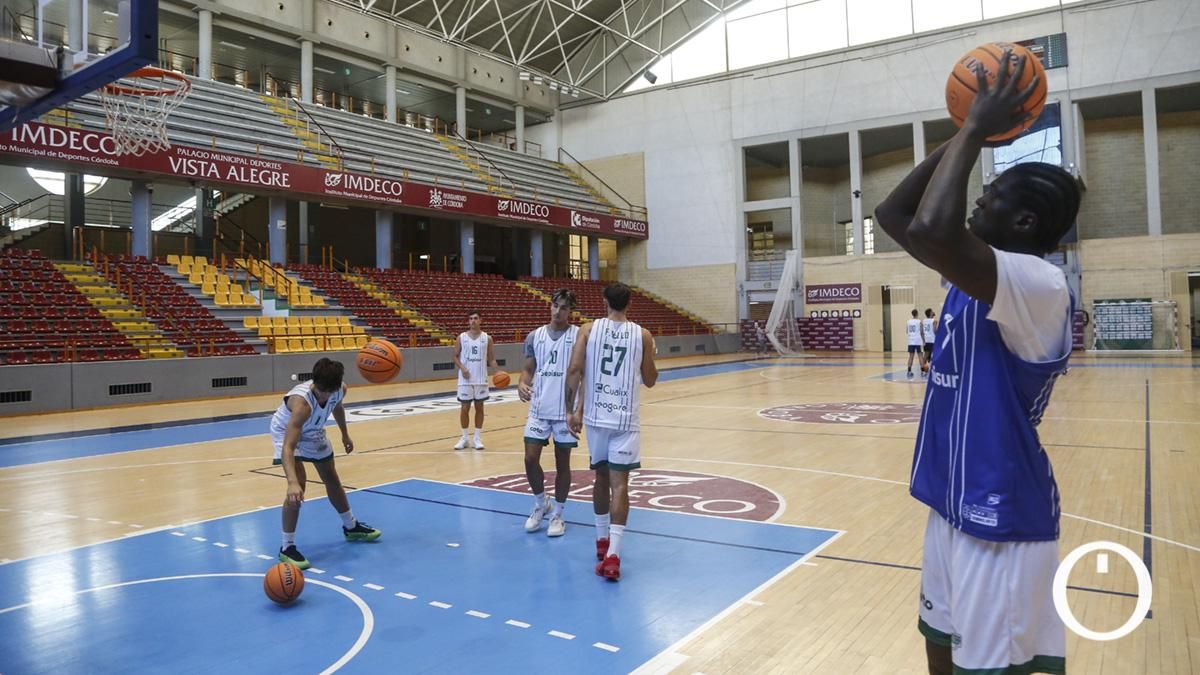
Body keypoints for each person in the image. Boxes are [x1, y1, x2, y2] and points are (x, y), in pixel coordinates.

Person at [874, 48, 1079, 675]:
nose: (973, 203)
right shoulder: (975, 278)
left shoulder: (1038, 286)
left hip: (1003, 521)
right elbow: (894, 217)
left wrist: (972, 131)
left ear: (1022, 221)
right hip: (951, 505)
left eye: (986, 197)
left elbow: (933, 230)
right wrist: (969, 127)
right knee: (939, 651)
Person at [565, 282, 658, 581]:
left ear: (604, 301)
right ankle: (614, 555)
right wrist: (651, 355)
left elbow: (575, 370)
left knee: (600, 477)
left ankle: (601, 540)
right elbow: (650, 379)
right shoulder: (642, 335)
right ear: (630, 304)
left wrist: (572, 410)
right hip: (625, 420)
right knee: (621, 485)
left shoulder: (588, 330)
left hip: (595, 416)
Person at [273, 358, 381, 570]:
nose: (324, 396)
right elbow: (288, 446)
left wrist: (345, 434)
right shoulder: (302, 405)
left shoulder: (340, 390)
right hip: (286, 432)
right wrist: (291, 482)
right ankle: (287, 547)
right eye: (321, 391)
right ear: (315, 382)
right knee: (298, 487)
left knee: (331, 477)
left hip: (313, 431)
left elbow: (337, 406)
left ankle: (351, 527)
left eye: (328, 392)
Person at [517, 288, 579, 537]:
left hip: (566, 410)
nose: (557, 311)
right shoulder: (535, 336)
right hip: (539, 408)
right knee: (530, 459)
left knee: (562, 463)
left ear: (570, 311)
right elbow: (528, 369)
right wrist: (522, 382)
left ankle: (558, 514)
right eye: (555, 305)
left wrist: (579, 410)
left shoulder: (578, 337)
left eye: (563, 307)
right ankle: (541, 503)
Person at [453, 310, 499, 450]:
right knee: (464, 408)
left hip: (481, 378)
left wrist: (498, 371)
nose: (473, 321)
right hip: (465, 379)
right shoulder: (461, 337)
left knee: (480, 408)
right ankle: (465, 438)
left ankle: (477, 438)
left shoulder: (487, 338)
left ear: (480, 320)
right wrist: (462, 368)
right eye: (470, 319)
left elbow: (491, 359)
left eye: (475, 318)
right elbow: (455, 356)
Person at [906, 308, 924, 377]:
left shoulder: (908, 321)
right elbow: (922, 332)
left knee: (911, 357)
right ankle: (923, 371)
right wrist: (924, 340)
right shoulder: (919, 321)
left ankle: (909, 371)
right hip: (918, 340)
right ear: (917, 314)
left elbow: (907, 331)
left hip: (911, 341)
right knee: (920, 356)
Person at [921, 308, 937, 374]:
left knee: (925, 356)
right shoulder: (934, 321)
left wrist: (923, 340)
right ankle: (932, 370)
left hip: (926, 340)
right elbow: (935, 331)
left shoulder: (923, 321)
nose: (933, 312)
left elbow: (922, 332)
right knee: (934, 355)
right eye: (932, 311)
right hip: (932, 340)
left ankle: (922, 370)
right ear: (930, 313)